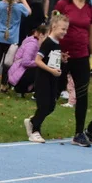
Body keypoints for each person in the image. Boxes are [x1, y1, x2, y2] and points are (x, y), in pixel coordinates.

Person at [53, 0, 92, 147]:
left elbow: (91, 37)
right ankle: (35, 124)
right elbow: (53, 29)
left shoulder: (90, 10)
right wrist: (56, 51)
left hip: (81, 56)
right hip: (62, 55)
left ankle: (79, 133)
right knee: (53, 92)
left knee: (82, 95)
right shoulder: (63, 5)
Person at [24, 13, 69, 142]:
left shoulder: (57, 44)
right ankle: (35, 130)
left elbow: (51, 58)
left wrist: (61, 59)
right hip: (43, 78)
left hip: (52, 79)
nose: (65, 32)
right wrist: (51, 70)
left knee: (51, 106)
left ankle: (32, 121)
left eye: (66, 29)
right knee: (43, 105)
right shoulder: (48, 42)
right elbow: (38, 60)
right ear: (54, 26)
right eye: (62, 29)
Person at [0, 0, 30, 91]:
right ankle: (3, 84)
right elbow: (29, 12)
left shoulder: (0, 5)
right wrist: (22, 0)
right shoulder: (20, 7)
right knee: (7, 61)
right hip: (12, 38)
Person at [8, 22, 48, 95]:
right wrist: (39, 62)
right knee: (41, 69)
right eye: (47, 36)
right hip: (18, 72)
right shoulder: (32, 45)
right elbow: (25, 62)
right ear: (41, 35)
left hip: (21, 71)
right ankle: (21, 88)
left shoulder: (37, 44)